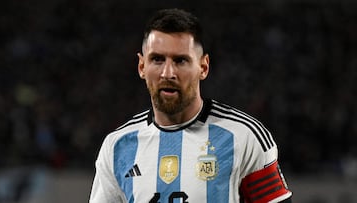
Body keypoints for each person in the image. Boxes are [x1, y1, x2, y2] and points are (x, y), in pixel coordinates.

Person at [89, 8, 292, 203]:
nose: (168, 73)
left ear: (203, 67)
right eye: (157, 59)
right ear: (142, 67)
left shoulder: (244, 137)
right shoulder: (117, 147)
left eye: (180, 61)